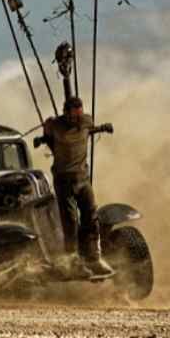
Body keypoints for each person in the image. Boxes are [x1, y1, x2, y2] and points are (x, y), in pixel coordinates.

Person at [34, 96, 115, 279]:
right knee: (70, 221)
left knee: (91, 216)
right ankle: (72, 262)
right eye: (72, 116)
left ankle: (94, 258)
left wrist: (104, 127)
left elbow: (91, 129)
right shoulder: (55, 125)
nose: (75, 120)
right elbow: (47, 134)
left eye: (78, 116)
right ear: (65, 113)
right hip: (64, 181)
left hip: (83, 179)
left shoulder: (86, 121)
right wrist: (42, 137)